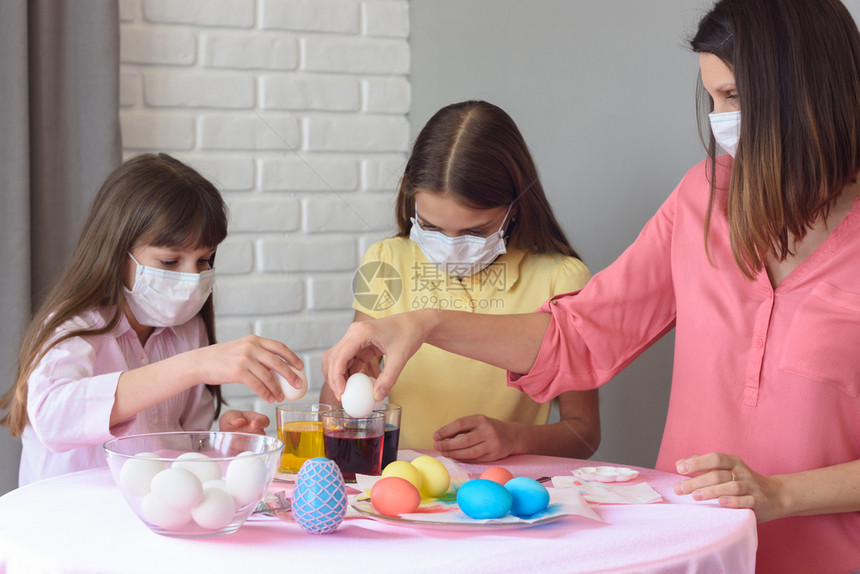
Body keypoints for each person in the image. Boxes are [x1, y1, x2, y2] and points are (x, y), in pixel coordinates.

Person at [321, 1, 860, 571]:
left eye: (737, 98)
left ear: (811, 90)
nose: (722, 121)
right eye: (715, 99)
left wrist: (782, 495)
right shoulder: (704, 199)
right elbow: (582, 336)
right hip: (692, 548)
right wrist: (425, 323)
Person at [0, 153, 304, 486]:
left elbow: (184, 446)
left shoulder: (188, 331)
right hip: (70, 519)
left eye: (204, 260)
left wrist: (222, 444)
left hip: (150, 516)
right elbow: (53, 417)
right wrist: (193, 365)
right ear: (118, 252)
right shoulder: (75, 325)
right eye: (170, 261)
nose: (192, 278)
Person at [320, 100, 600, 463]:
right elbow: (339, 411)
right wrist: (344, 379)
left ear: (515, 207)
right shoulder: (387, 260)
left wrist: (516, 437)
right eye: (432, 228)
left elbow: (585, 433)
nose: (450, 249)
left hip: (505, 494)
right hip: (408, 485)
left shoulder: (560, 278)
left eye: (474, 231)